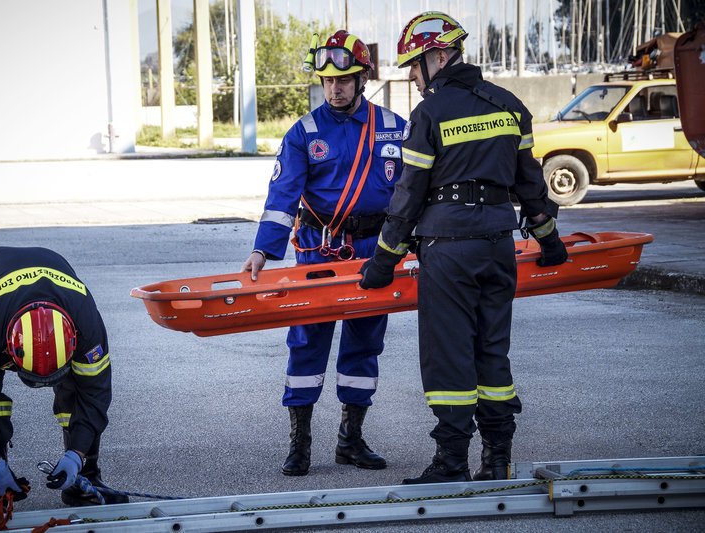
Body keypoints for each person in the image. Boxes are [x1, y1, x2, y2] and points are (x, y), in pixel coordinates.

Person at [359, 12, 568, 484]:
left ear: (437, 55)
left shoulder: (430, 113)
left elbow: (409, 194)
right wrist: (548, 237)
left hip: (448, 249)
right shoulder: (510, 105)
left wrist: (383, 260)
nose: (412, 77)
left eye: (414, 65)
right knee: (492, 350)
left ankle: (451, 460)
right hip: (498, 246)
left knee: (448, 351)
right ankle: (497, 458)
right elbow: (530, 185)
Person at [242, 30, 407, 476]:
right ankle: (300, 442)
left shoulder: (395, 127)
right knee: (307, 342)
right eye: (327, 81)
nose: (334, 88)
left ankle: (350, 440)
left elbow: (415, 194)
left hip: (378, 251)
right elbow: (282, 195)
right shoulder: (304, 132)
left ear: (362, 79)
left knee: (366, 341)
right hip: (318, 251)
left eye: (344, 80)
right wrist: (263, 250)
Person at [0, 246, 128, 514]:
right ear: (8, 348)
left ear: (73, 341)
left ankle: (84, 481)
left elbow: (94, 396)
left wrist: (76, 455)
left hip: (48, 280)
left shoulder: (87, 325)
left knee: (76, 390)